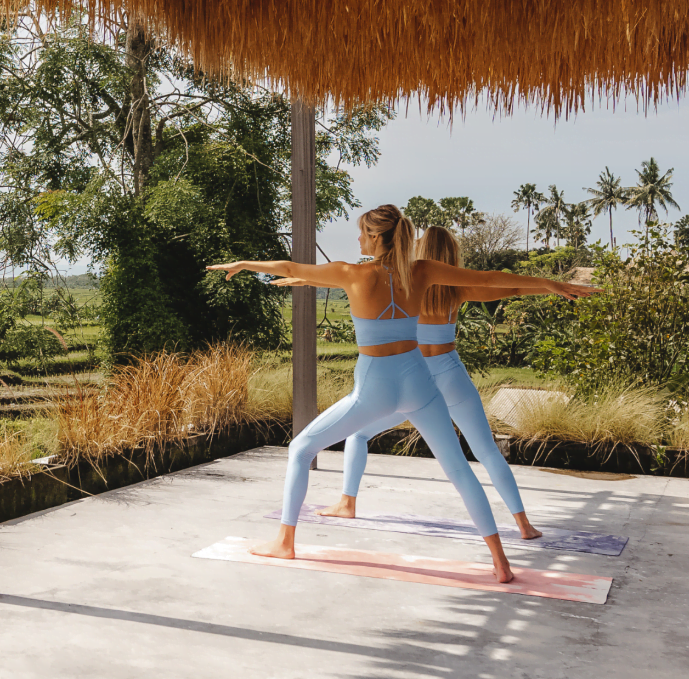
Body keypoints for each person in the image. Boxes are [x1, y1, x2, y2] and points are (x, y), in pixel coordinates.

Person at [207, 204, 595, 582]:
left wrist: (243, 264)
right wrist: (550, 285)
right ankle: (500, 562)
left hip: (376, 386)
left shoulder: (352, 274)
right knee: (459, 468)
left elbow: (292, 267)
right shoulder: (421, 271)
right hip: (419, 382)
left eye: (362, 232)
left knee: (301, 449)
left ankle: (285, 542)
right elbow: (490, 278)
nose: (358, 237)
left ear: (376, 236)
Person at [273, 225, 570, 541]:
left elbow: (356, 278)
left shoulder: (406, 284)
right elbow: (508, 288)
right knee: (487, 452)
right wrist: (553, 287)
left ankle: (348, 502)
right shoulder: (457, 290)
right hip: (450, 373)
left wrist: (308, 277)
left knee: (358, 434)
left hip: (415, 378)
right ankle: (524, 525)